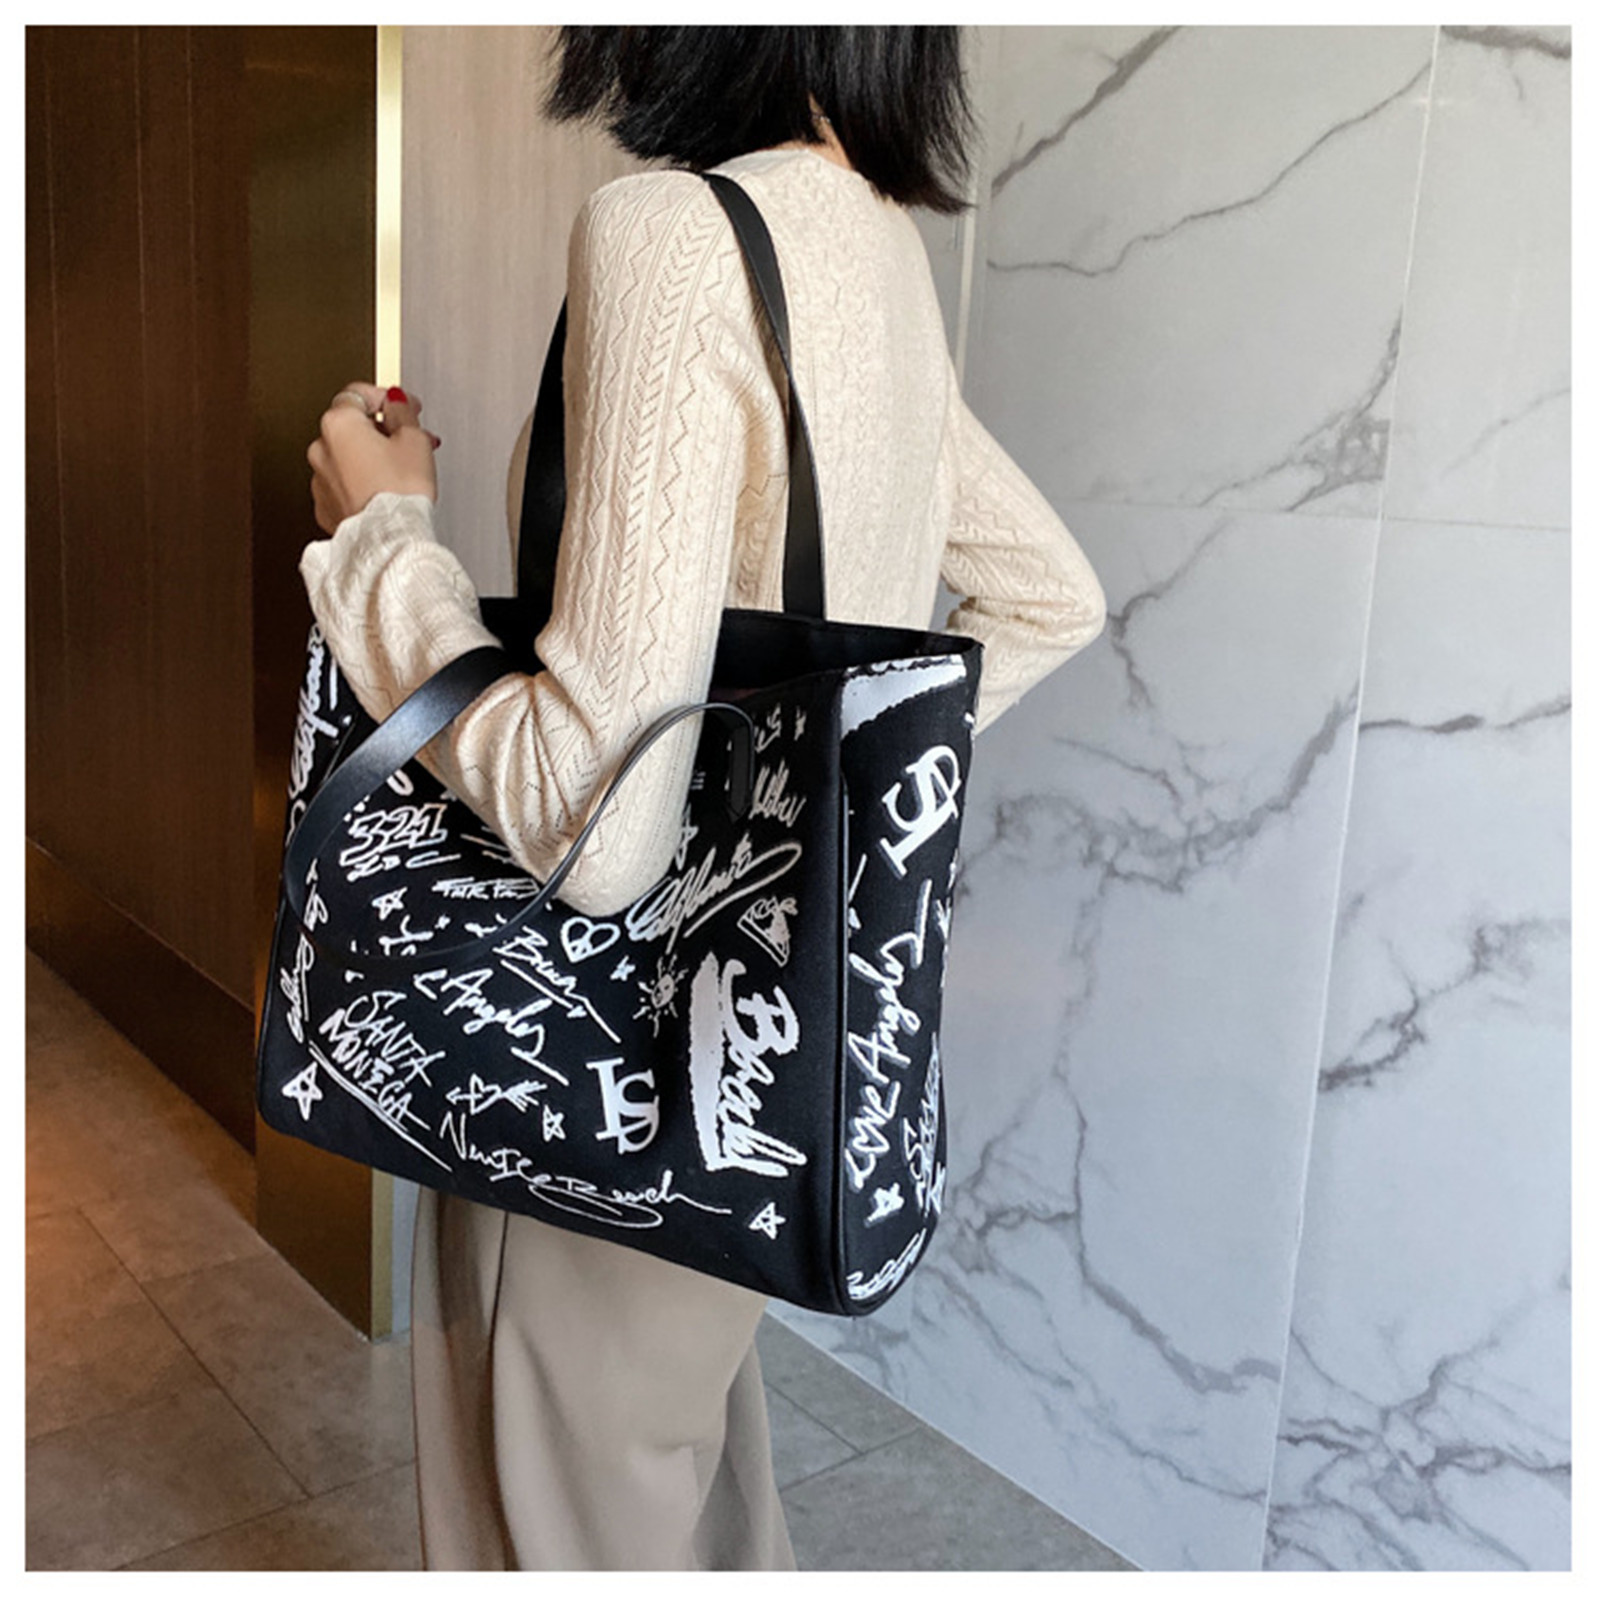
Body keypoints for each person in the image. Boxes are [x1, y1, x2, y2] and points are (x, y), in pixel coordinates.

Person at [299, 25, 1108, 1572]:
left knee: (560, 1527)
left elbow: (595, 830)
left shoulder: (674, 235)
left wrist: (382, 540)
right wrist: (799, 829)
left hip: (590, 1052)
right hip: (749, 1055)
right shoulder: (871, 244)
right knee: (694, 1500)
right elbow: (1046, 597)